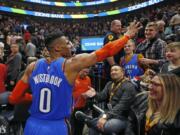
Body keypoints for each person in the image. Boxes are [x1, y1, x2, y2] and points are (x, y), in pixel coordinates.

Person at [8, 21, 140, 135]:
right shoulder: (70, 65)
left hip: (32, 125)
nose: (70, 45)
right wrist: (126, 36)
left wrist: (33, 97)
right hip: (56, 126)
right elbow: (106, 50)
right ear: (58, 47)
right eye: (67, 43)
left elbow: (14, 98)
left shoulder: (32, 66)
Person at [78, 65, 137, 135]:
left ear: (122, 72)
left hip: (122, 117)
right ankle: (91, 121)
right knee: (94, 127)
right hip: (109, 113)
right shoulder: (109, 84)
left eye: (116, 70)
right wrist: (94, 94)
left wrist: (105, 117)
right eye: (111, 70)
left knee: (107, 127)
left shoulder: (129, 86)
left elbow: (121, 106)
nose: (113, 72)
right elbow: (101, 97)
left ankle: (89, 120)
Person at [71, 68, 92, 135]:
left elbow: (89, 89)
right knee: (72, 125)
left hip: (83, 105)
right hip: (72, 106)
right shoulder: (73, 77)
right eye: (84, 72)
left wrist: (88, 94)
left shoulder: (88, 78)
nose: (85, 74)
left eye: (87, 73)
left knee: (80, 125)